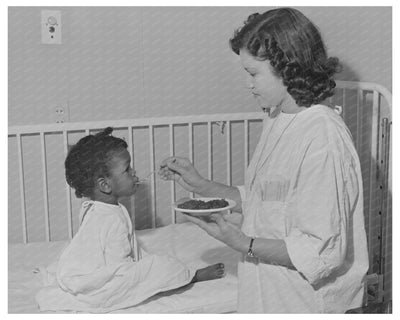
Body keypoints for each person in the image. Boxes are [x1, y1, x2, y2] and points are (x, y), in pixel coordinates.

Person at [159, 7, 369, 313]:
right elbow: (267, 199)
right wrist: (200, 185)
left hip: (306, 301)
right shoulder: (278, 117)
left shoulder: (323, 137)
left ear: (288, 68)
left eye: (253, 73)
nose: (249, 84)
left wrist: (241, 242)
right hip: (269, 287)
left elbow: (323, 252)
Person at [35, 127, 224, 313]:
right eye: (127, 169)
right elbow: (118, 266)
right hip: (108, 283)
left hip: (106, 271)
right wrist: (141, 272)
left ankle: (180, 275)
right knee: (162, 266)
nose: (134, 173)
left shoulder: (97, 208)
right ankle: (192, 276)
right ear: (105, 184)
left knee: (151, 264)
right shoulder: (110, 218)